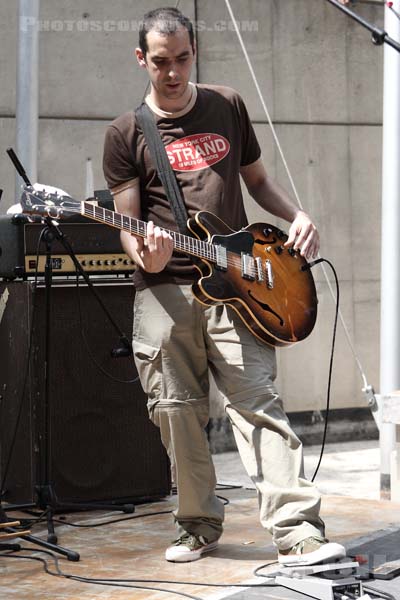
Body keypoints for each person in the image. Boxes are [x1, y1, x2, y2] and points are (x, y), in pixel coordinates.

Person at [103, 7, 346, 566]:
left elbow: (256, 180)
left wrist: (298, 214)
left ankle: (298, 531)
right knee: (176, 409)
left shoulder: (227, 104)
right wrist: (147, 250)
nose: (173, 72)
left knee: (257, 402)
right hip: (165, 290)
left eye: (182, 59)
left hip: (239, 283)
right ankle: (197, 525)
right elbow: (128, 223)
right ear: (142, 59)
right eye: (160, 61)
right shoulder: (125, 133)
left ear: (194, 53)